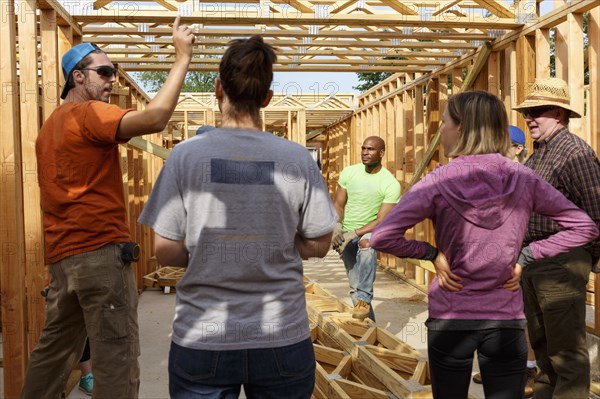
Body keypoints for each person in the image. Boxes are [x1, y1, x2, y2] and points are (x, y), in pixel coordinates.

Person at [139, 35, 337, 399]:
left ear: (217, 89)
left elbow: (165, 250)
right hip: (281, 338)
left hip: (204, 337)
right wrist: (276, 241)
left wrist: (209, 249)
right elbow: (321, 244)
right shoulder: (297, 160)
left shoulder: (185, 157)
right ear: (267, 98)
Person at [370, 90, 599, 399]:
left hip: (451, 318)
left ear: (463, 128)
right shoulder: (523, 176)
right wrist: (527, 256)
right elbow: (583, 225)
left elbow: (382, 236)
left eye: (446, 123)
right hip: (504, 320)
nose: (442, 130)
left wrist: (431, 253)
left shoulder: (437, 181)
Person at [21, 16, 195, 399]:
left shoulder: (49, 128)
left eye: (113, 73)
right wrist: (181, 58)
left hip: (63, 262)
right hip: (100, 256)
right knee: (115, 355)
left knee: (52, 355)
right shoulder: (88, 113)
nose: (112, 80)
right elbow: (155, 118)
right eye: (104, 72)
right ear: (78, 78)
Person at [513, 77, 600, 399]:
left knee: (566, 349)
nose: (529, 118)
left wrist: (587, 258)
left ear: (560, 114)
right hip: (535, 259)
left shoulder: (574, 152)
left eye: (537, 111)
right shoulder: (540, 154)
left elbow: (597, 210)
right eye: (527, 112)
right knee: (543, 343)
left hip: (561, 260)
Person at [471, 123, 538, 397]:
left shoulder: (525, 176)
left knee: (524, 318)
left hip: (521, 256)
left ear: (517, 148)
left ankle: (529, 369)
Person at [331, 136, 401, 320]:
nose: (365, 152)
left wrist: (354, 233)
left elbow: (381, 221)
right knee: (355, 289)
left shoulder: (390, 183)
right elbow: (338, 204)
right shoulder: (349, 172)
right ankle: (370, 334)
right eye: (363, 148)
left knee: (367, 243)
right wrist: (337, 227)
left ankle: (364, 296)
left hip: (368, 231)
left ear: (381, 153)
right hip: (347, 233)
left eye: (370, 149)